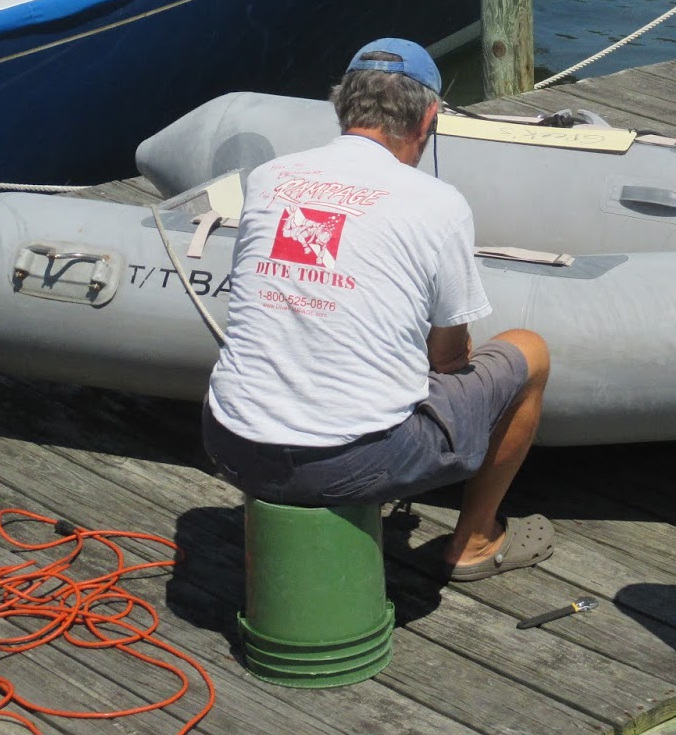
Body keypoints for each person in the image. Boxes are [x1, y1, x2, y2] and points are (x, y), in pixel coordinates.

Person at [202, 38, 553, 580]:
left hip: (231, 443)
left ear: (341, 104)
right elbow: (451, 358)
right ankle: (477, 539)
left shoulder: (271, 178)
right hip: (354, 463)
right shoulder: (438, 203)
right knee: (530, 352)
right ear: (429, 116)